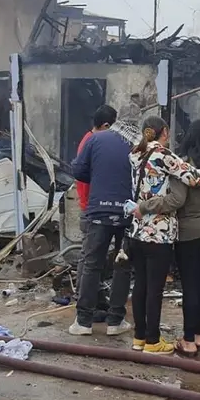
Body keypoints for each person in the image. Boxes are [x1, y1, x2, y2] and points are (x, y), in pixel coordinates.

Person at [126, 116, 200, 354]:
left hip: (138, 229)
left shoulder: (136, 154)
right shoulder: (166, 156)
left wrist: (143, 206)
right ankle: (153, 341)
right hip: (159, 232)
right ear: (164, 132)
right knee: (156, 289)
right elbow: (194, 179)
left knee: (141, 286)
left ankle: (139, 338)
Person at [69, 110, 133, 337]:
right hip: (127, 212)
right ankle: (115, 321)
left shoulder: (94, 139)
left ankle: (83, 322)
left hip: (98, 211)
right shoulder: (135, 142)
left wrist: (97, 177)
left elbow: (77, 170)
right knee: (122, 264)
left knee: (92, 264)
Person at [75, 105, 120, 323]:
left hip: (93, 205)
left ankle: (93, 300)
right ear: (106, 125)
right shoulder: (92, 141)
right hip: (93, 207)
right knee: (90, 258)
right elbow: (81, 173)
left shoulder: (89, 140)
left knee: (92, 258)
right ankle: (86, 305)